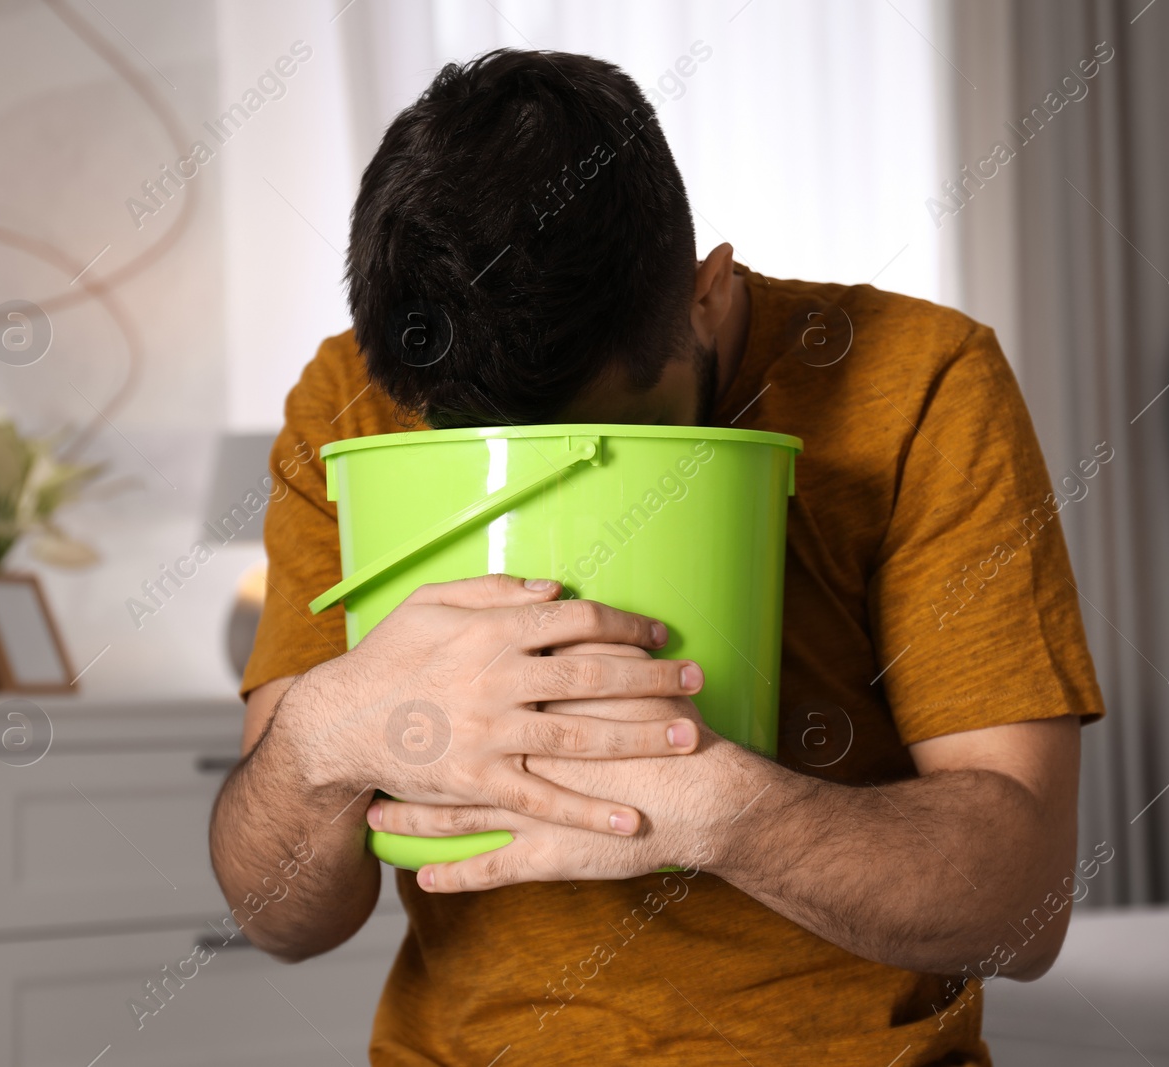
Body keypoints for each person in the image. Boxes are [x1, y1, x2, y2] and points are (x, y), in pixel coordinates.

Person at [209, 47, 1105, 1066]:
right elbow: (283, 918)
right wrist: (319, 738)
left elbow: (1022, 908)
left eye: (625, 442)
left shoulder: (920, 381)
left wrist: (721, 814)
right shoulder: (346, 409)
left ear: (705, 293)